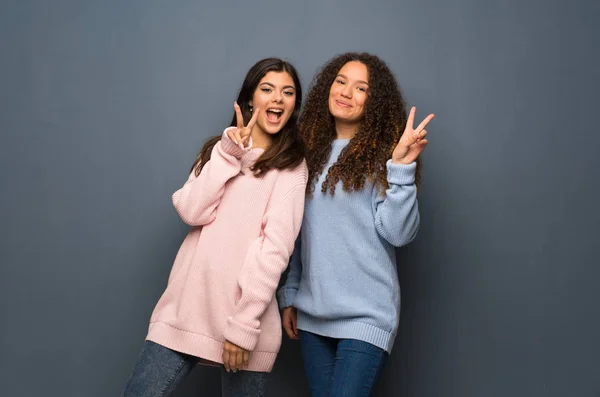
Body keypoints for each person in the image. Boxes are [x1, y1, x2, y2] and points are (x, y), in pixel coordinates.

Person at [122, 57, 308, 397]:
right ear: (251, 98)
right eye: (267, 89)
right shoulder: (220, 150)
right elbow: (192, 211)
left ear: (295, 104)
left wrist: (242, 327)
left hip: (242, 321)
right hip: (186, 309)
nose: (278, 98)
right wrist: (228, 153)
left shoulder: (292, 169)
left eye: (288, 92)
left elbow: (274, 250)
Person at [278, 52, 435, 397]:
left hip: (366, 315)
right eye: (340, 82)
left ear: (374, 101)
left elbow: (398, 233)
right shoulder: (307, 156)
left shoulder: (384, 157)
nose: (346, 92)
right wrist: (289, 293)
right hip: (312, 315)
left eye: (361, 88)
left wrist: (402, 169)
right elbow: (299, 234)